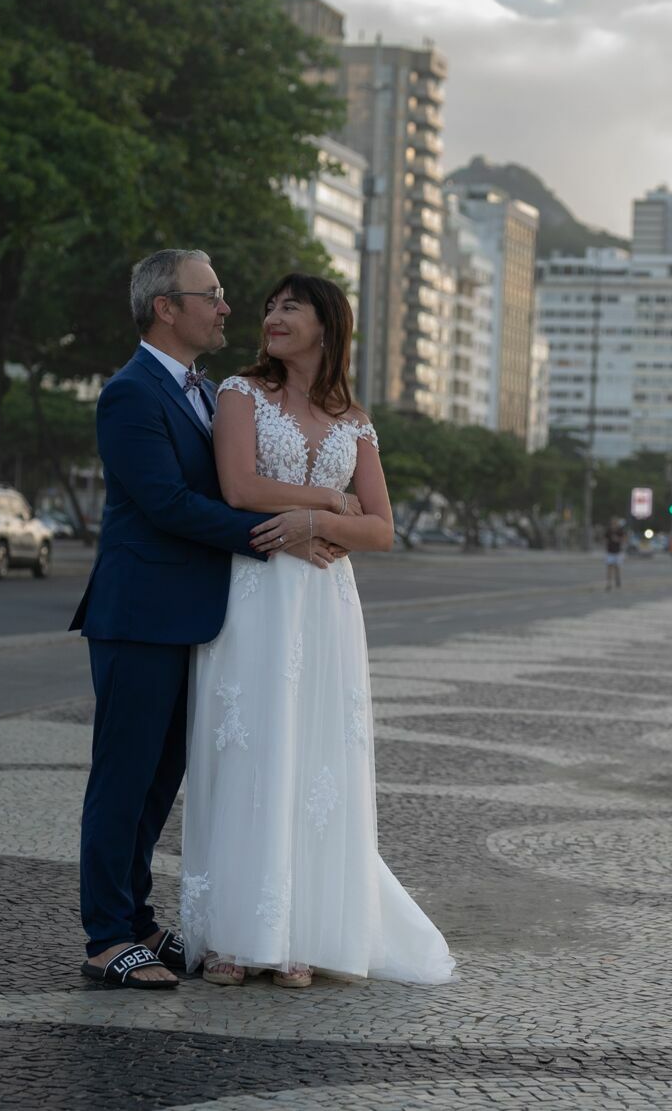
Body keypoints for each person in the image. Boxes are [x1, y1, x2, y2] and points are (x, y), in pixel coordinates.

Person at [182, 272, 456, 989]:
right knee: (251, 748)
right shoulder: (241, 393)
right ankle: (237, 935)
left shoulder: (355, 419)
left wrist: (317, 524)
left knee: (314, 759)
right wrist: (327, 503)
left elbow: (383, 528)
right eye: (269, 305)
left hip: (326, 602)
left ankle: (301, 927)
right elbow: (239, 487)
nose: (271, 316)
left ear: (328, 326)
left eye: (289, 307)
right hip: (258, 591)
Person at [71, 249, 331, 991]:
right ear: (166, 307)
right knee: (122, 780)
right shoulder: (130, 394)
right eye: (211, 296)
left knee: (159, 782)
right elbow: (166, 505)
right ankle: (105, 936)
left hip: (198, 619)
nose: (226, 308)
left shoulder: (207, 391)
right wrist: (280, 529)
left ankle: (141, 919)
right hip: (139, 613)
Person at [603, 517, 627, 591]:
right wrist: (605, 544)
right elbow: (605, 539)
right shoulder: (608, 530)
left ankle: (618, 580)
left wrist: (618, 539)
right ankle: (609, 583)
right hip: (610, 551)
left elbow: (624, 539)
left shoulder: (620, 531)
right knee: (609, 568)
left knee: (617, 567)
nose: (614, 524)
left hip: (617, 551)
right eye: (613, 523)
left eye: (615, 523)